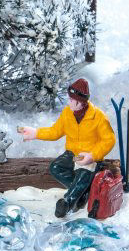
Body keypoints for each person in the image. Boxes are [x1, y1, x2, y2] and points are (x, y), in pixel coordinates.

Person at [18, 78, 116, 218]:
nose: (68, 102)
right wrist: (35, 133)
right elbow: (55, 132)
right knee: (56, 167)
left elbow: (109, 139)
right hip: (72, 153)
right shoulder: (67, 113)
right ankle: (83, 193)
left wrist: (92, 155)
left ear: (80, 101)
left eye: (71, 99)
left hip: (89, 157)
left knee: (83, 173)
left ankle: (67, 203)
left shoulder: (98, 117)